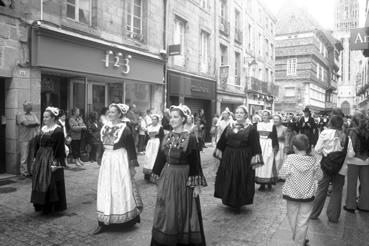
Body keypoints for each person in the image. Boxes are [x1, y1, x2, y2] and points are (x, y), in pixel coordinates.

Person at [150, 104, 207, 246]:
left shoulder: (191, 138)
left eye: (176, 117)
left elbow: (195, 162)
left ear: (183, 119)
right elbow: (160, 158)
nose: (172, 120)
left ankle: (181, 239)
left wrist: (196, 185)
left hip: (183, 177)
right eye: (171, 117)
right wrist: (156, 174)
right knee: (165, 208)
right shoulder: (166, 136)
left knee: (182, 209)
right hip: (167, 176)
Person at [93, 103, 143, 235]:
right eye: (109, 112)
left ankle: (123, 221)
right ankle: (103, 221)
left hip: (119, 160)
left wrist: (131, 167)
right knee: (105, 188)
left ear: (120, 114)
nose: (110, 114)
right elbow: (100, 144)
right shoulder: (104, 127)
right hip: (107, 160)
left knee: (119, 188)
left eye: (113, 112)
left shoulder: (125, 129)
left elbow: (131, 150)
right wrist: (99, 157)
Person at [214, 105, 262, 211]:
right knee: (228, 176)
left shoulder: (251, 128)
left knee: (240, 178)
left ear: (245, 115)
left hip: (243, 157)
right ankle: (228, 199)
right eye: (237, 112)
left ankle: (238, 202)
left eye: (241, 113)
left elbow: (255, 144)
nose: (239, 114)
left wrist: (255, 158)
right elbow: (222, 141)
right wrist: (218, 152)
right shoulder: (230, 126)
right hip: (229, 156)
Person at [279, 134, 323, 246]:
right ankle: (300, 240)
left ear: (294, 147)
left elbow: (282, 175)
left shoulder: (290, 159)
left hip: (291, 193)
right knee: (303, 220)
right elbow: (320, 177)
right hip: (308, 195)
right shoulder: (314, 161)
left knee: (292, 217)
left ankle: (299, 239)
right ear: (308, 146)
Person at [310, 115, 354, 223]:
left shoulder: (325, 133)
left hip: (326, 166)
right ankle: (333, 217)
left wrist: (327, 153)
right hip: (341, 168)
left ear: (331, 123)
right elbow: (351, 154)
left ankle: (314, 213)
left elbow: (317, 149)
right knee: (337, 191)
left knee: (321, 189)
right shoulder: (347, 137)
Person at [31, 107, 67, 214]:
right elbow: (37, 145)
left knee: (52, 182)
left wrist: (56, 163)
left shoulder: (58, 130)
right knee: (40, 181)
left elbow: (60, 149)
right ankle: (43, 206)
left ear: (53, 118)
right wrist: (34, 158)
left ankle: (54, 208)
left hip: (51, 158)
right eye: (43, 117)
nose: (44, 119)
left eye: (46, 117)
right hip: (41, 159)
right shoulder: (43, 129)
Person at [344, 115, 369, 213]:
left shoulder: (352, 131)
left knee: (351, 184)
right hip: (367, 160)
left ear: (354, 121)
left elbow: (352, 147)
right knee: (366, 184)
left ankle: (350, 205)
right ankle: (365, 206)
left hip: (354, 160)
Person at [255, 110, 279, 191]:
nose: (264, 117)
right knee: (260, 164)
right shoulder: (258, 125)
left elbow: (274, 138)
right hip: (260, 145)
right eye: (263, 115)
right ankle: (261, 184)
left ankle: (269, 182)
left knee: (268, 163)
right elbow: (255, 137)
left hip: (268, 145)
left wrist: (275, 147)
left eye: (266, 115)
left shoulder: (272, 125)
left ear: (269, 116)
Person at [16, 101, 40, 177]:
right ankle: (24, 172)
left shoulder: (33, 114)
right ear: (24, 106)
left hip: (33, 137)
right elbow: (26, 124)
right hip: (24, 138)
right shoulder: (20, 114)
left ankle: (31, 171)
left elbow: (38, 123)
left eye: (31, 105)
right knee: (24, 157)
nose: (31, 106)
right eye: (29, 105)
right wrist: (33, 123)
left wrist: (30, 123)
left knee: (32, 156)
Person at [143, 114, 164, 181]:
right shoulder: (149, 127)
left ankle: (154, 175)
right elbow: (146, 137)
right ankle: (147, 175)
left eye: (155, 119)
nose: (153, 120)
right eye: (152, 119)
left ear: (157, 120)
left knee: (154, 158)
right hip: (150, 143)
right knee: (148, 158)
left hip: (156, 143)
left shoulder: (160, 127)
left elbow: (162, 137)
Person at [273, 114, 288, 179]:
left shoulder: (284, 128)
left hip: (281, 146)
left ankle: (280, 176)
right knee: (274, 160)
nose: (275, 120)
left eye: (277, 119)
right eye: (274, 119)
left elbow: (286, 138)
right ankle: (273, 175)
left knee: (281, 161)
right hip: (273, 146)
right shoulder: (271, 127)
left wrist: (286, 146)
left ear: (280, 120)